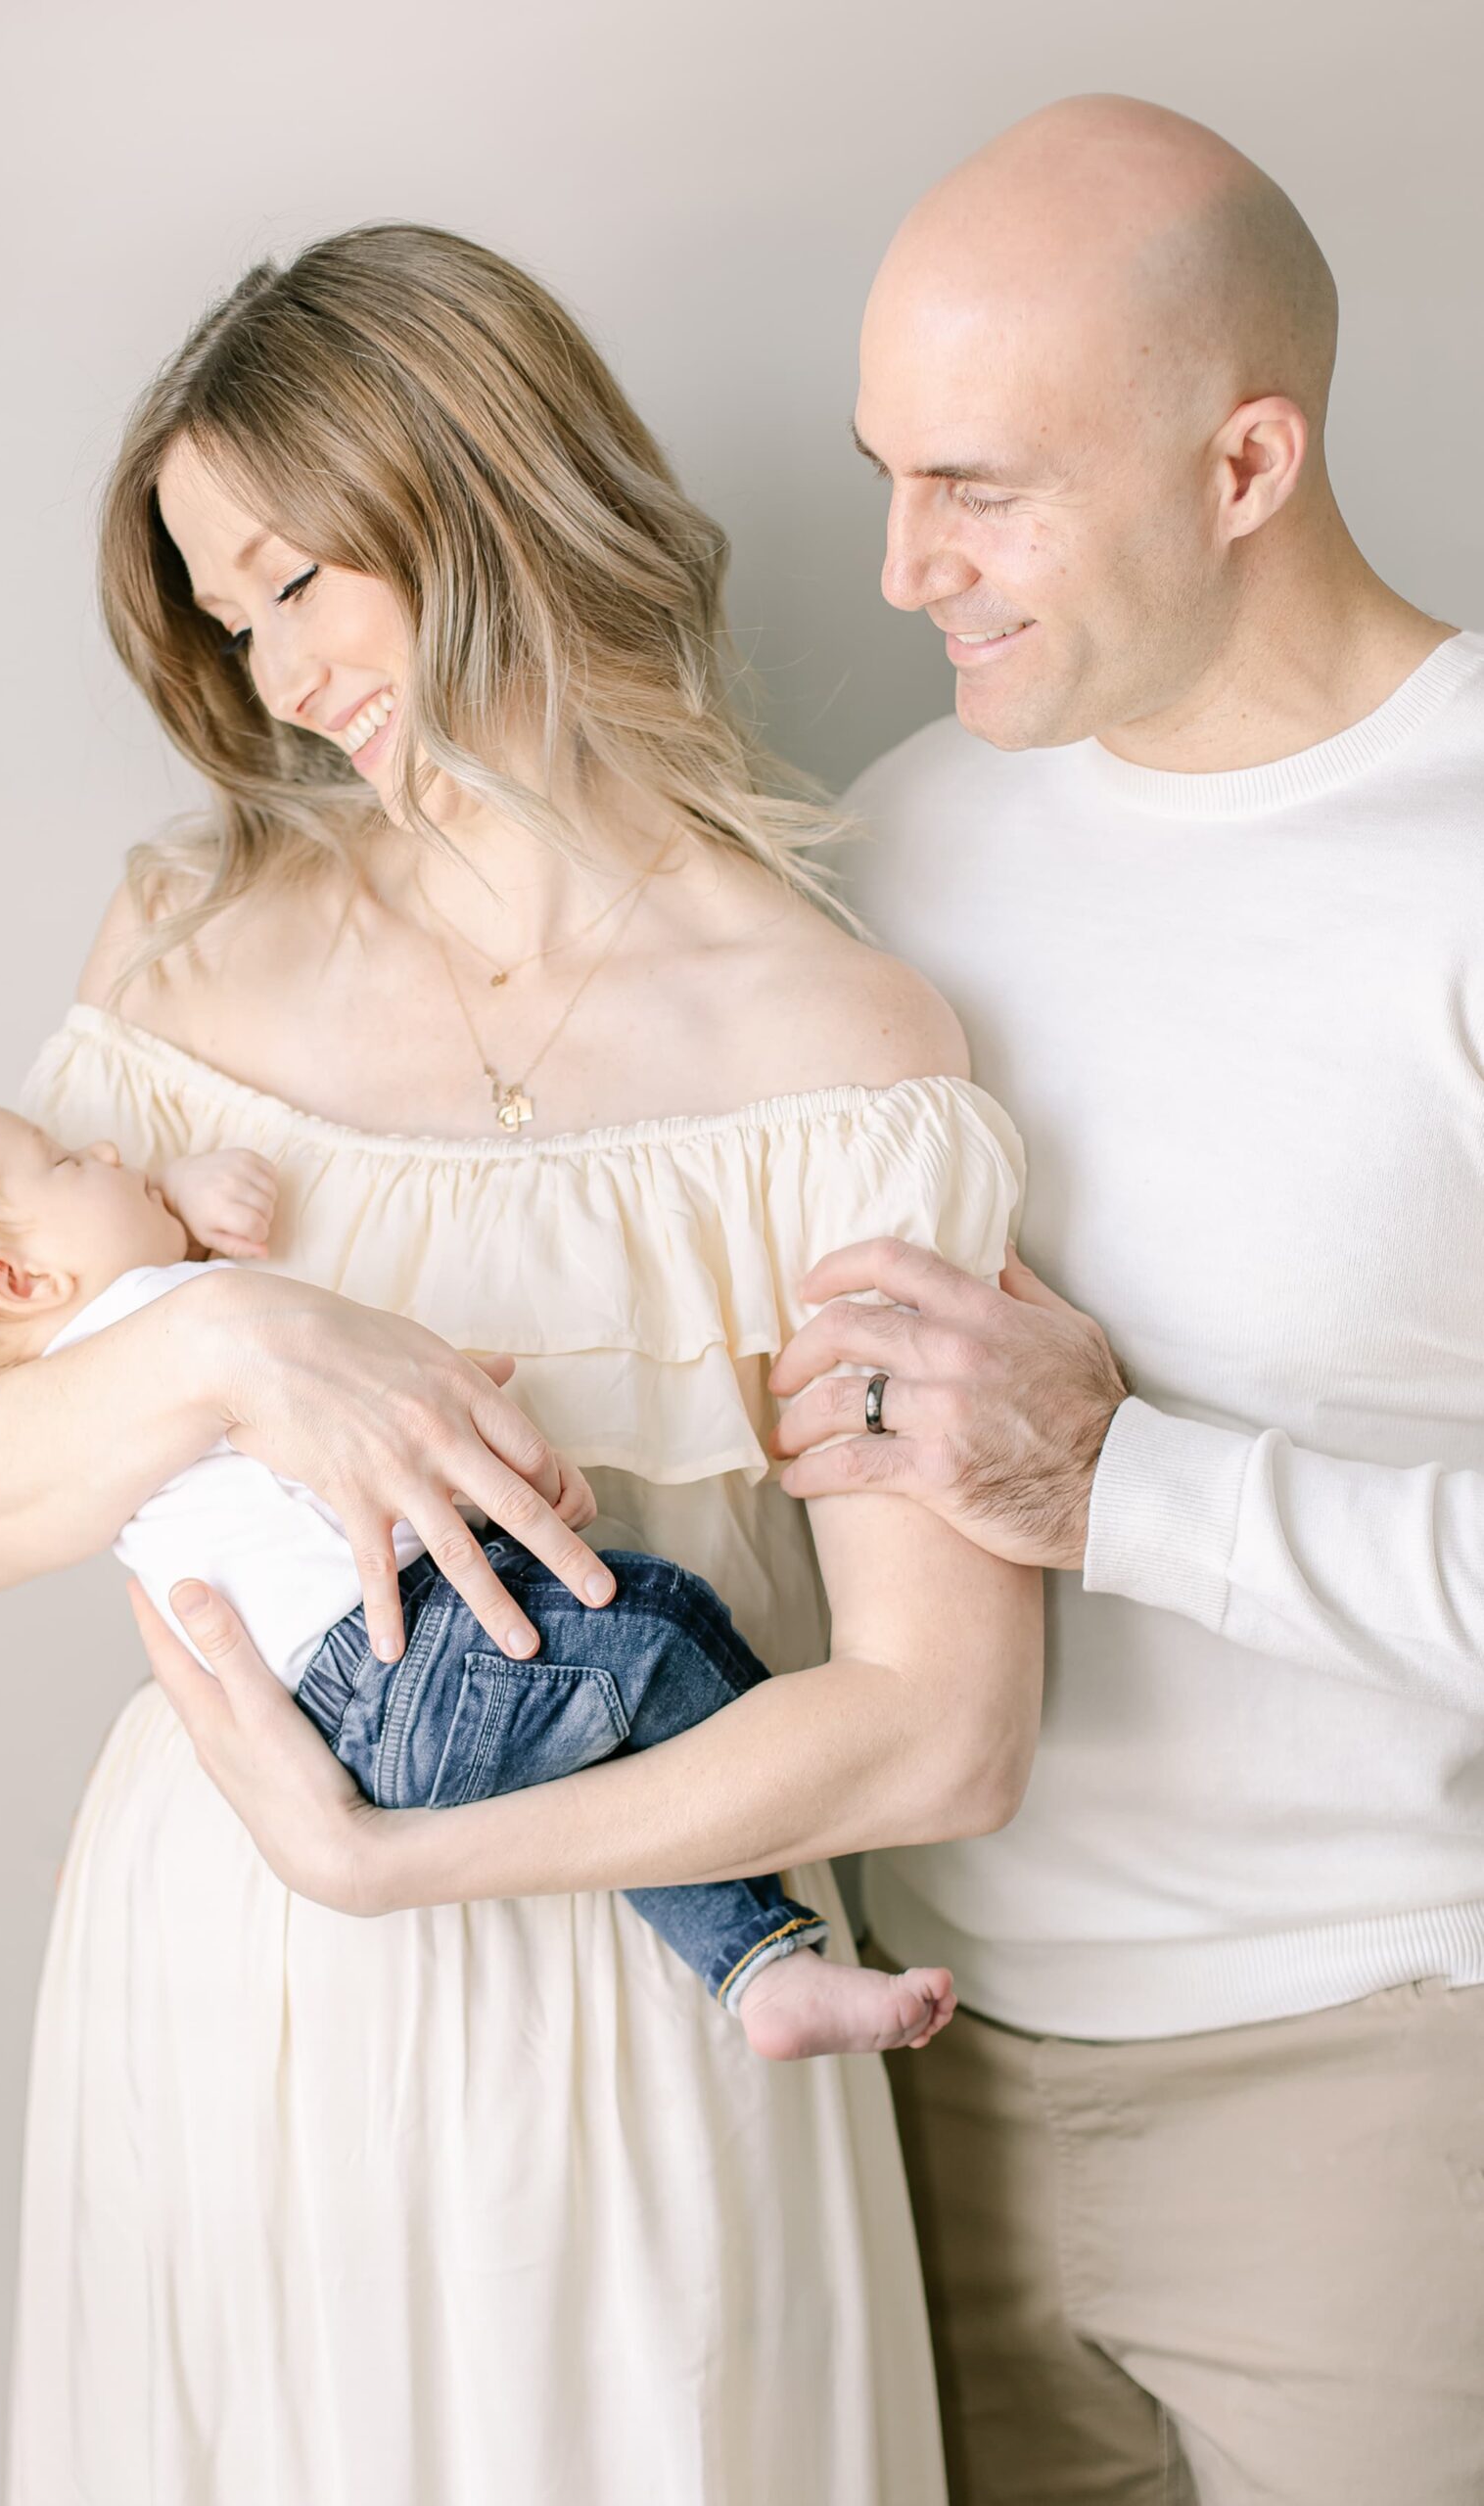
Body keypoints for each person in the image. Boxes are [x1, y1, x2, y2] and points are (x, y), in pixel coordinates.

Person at [0, 223, 1042, 2503]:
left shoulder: (843, 1047)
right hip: (218, 1979)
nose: (279, 670)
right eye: (227, 616)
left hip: (641, 2006)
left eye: (302, 577)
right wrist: (233, 1330)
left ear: (483, 489)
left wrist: (401, 1868)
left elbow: (944, 1726)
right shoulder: (191, 940)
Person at [762, 94, 1484, 2506]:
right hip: (919, 2077)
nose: (896, 565)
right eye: (890, 474)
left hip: (1390, 2097)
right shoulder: (895, 847)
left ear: (1246, 461)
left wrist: (1122, 1481)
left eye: (979, 485)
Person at [0, 1074, 956, 2058]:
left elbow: (140, 1286)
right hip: (398, 1658)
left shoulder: (86, 1382)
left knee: (620, 1714)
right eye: (70, 1160)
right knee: (653, 1631)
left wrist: (168, 1197)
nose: (112, 1145)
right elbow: (152, 1316)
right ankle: (785, 1845)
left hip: (354, 1706)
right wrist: (182, 1207)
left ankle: (760, 1969)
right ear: (19, 1282)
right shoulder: (148, 1322)